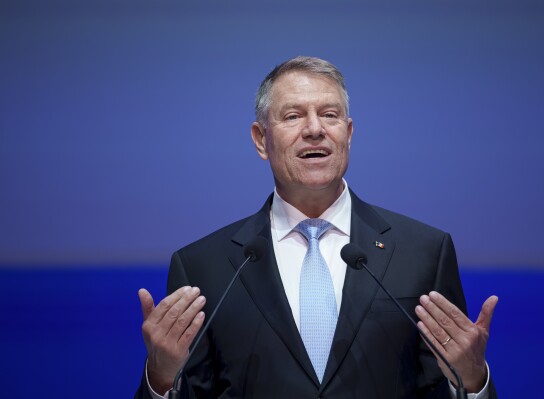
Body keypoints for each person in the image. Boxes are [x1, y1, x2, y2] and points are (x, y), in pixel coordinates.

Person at [135, 56, 499, 399]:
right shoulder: (204, 266)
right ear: (262, 140)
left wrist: (471, 381)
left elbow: (442, 385)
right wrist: (161, 379)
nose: (314, 129)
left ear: (349, 132)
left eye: (330, 115)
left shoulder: (424, 252)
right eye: (293, 116)